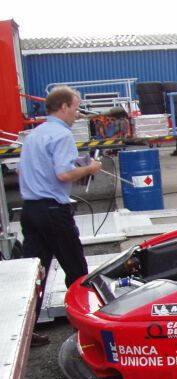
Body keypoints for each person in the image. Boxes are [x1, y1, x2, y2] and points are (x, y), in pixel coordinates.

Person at [18, 86, 102, 347]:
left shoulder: (35, 134)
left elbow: (28, 173)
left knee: (35, 273)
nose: (77, 114)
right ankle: (89, 328)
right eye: (75, 108)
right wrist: (89, 168)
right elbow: (63, 175)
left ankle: (24, 331)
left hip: (30, 211)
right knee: (76, 269)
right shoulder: (61, 135)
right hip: (53, 211)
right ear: (64, 106)